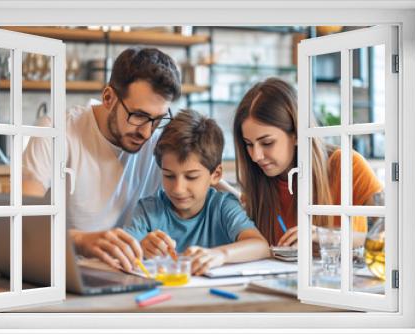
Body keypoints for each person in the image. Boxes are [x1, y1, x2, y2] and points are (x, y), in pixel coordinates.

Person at [22, 47, 182, 272]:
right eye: (138, 116)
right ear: (108, 98)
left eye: (157, 119)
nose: (146, 133)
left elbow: (209, 190)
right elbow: (21, 222)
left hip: (129, 274)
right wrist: (81, 241)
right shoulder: (56, 132)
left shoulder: (159, 144)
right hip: (60, 273)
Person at [233, 78, 382, 247]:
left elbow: (393, 230)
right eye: (249, 144)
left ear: (297, 134)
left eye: (267, 143)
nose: (256, 156)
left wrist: (325, 235)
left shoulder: (347, 165)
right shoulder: (257, 180)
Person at [123, 109, 270, 275]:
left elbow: (261, 246)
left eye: (191, 177)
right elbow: (122, 252)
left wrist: (220, 254)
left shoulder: (223, 206)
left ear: (215, 175)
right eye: (169, 175)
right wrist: (141, 247)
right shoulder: (147, 210)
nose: (178, 189)